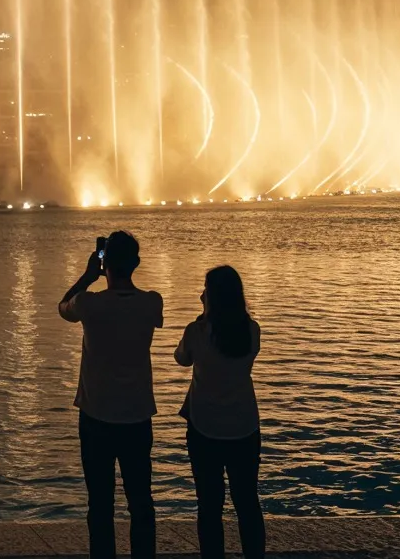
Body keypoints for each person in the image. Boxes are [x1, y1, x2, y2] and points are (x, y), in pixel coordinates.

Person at [58, 231, 163, 559]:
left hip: (96, 418)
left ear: (105, 264)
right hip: (137, 416)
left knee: (100, 505)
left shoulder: (90, 304)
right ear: (136, 263)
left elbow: (63, 307)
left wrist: (89, 275)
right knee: (141, 503)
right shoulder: (152, 302)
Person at [174, 265, 264, 559]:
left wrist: (203, 314)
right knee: (247, 502)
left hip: (205, 428)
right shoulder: (251, 330)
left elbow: (181, 358)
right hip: (244, 427)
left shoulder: (197, 331)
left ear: (209, 296)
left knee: (209, 506)